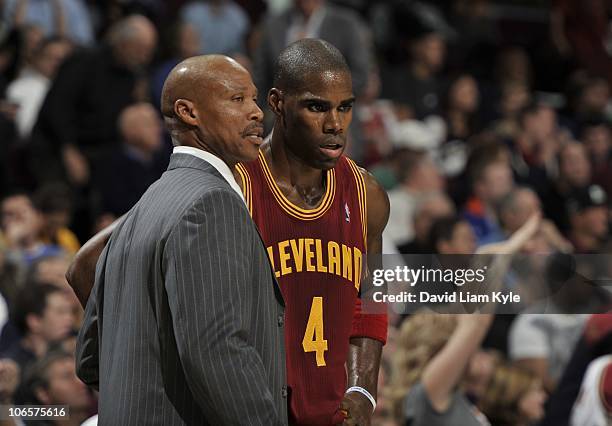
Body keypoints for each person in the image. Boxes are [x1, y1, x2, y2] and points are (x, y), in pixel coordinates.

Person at [69, 39, 388, 426]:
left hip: (328, 413)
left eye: (345, 107)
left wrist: (363, 388)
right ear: (278, 104)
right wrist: (144, 373)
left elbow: (371, 295)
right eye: (317, 107)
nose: (335, 124)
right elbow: (88, 265)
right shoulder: (229, 185)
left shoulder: (365, 193)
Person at [74, 55, 287, 425]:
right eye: (237, 99)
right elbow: (216, 349)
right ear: (188, 112)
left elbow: (91, 358)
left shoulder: (144, 207)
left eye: (254, 99)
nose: (256, 112)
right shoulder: (211, 202)